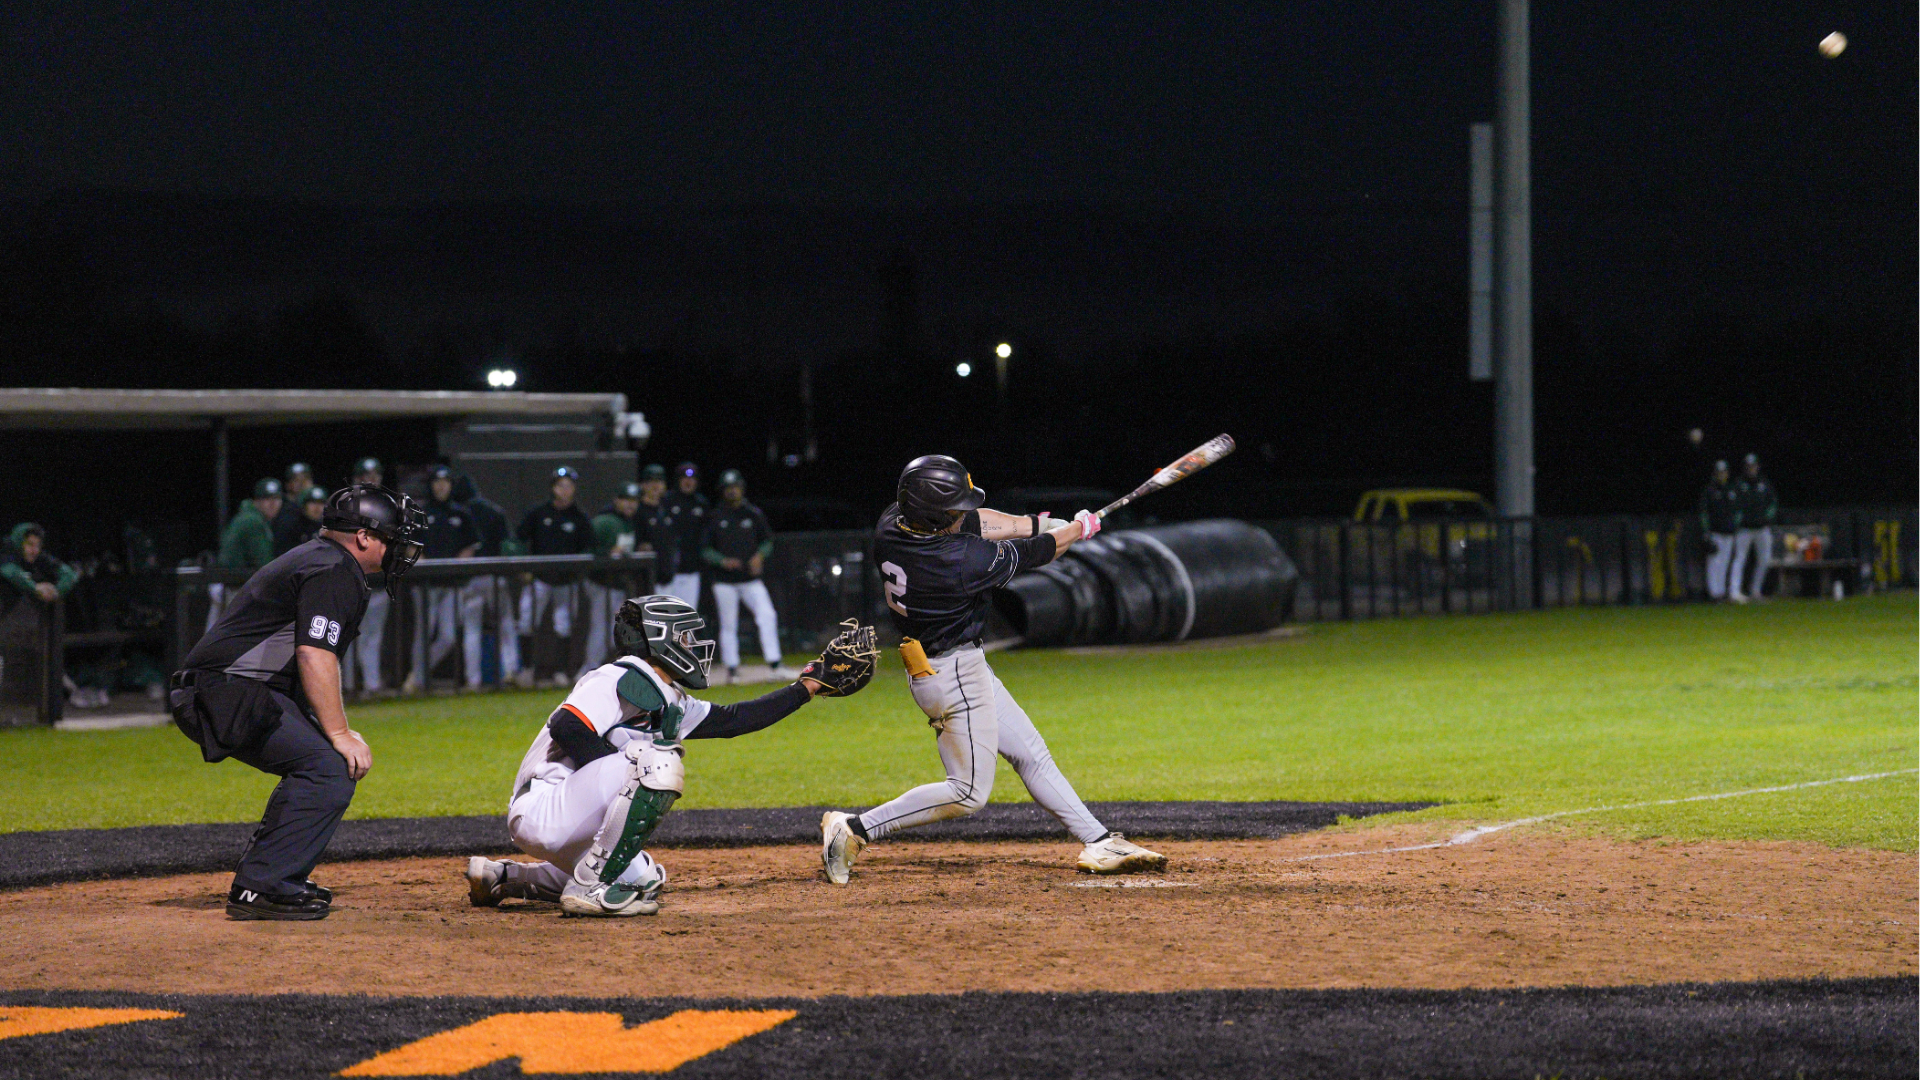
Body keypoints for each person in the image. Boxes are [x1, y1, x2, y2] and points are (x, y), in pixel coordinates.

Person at [818, 455, 1167, 883]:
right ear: (932, 514)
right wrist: (1078, 529)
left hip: (948, 666)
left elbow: (979, 521)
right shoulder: (959, 563)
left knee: (1030, 753)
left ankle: (1098, 840)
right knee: (967, 793)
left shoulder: (893, 522)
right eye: (953, 508)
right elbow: (1040, 553)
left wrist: (1038, 522)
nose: (962, 514)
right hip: (952, 674)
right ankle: (854, 828)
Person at [464, 596, 875, 916]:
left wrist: (808, 686)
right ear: (659, 638)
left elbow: (735, 720)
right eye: (686, 638)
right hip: (545, 805)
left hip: (569, 816)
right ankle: (588, 886)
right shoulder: (619, 675)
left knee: (643, 880)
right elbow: (567, 726)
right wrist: (622, 771)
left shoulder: (670, 698)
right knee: (657, 761)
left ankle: (503, 876)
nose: (694, 646)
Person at [170, 484, 425, 920]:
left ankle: (274, 876)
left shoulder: (320, 558)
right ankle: (262, 886)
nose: (397, 549)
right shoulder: (333, 568)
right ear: (364, 536)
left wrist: (330, 731)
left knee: (326, 763)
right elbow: (314, 654)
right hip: (226, 692)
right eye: (391, 538)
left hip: (234, 689)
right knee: (326, 768)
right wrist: (339, 733)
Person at [701, 470, 795, 684]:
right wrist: (722, 560)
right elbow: (705, 549)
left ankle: (775, 664)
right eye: (728, 487)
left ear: (742, 488)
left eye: (736, 486)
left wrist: (760, 556)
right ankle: (732, 670)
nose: (733, 490)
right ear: (723, 491)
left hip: (750, 579)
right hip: (724, 580)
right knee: (728, 624)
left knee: (767, 615)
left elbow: (767, 541)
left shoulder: (753, 513)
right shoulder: (715, 516)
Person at [407, 466, 482, 691]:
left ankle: (418, 673)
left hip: (452, 584)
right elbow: (409, 547)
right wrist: (426, 564)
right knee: (423, 633)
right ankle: (417, 682)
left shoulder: (460, 513)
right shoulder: (420, 512)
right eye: (437, 482)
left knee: (448, 636)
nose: (441, 486)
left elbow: (470, 547)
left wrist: (456, 564)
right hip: (425, 584)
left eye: (445, 482)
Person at [517, 467, 595, 685]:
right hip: (539, 579)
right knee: (525, 621)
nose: (564, 490)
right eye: (560, 485)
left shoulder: (579, 518)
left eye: (569, 486)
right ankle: (527, 670)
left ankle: (561, 671)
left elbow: (590, 547)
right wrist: (524, 567)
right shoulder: (539, 513)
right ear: (553, 488)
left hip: (567, 581)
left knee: (564, 625)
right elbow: (518, 540)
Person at [453, 474, 521, 686]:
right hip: (494, 576)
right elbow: (508, 546)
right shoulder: (493, 511)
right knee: (506, 626)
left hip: (470, 578)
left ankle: (473, 680)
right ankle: (510, 671)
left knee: (472, 630)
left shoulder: (459, 513)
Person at [579, 480, 651, 677]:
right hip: (600, 583)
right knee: (601, 630)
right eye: (626, 499)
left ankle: (595, 670)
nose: (630, 504)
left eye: (634, 500)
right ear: (617, 501)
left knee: (613, 632)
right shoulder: (603, 521)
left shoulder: (631, 522)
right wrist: (606, 552)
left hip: (616, 585)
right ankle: (588, 671)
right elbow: (585, 549)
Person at [210, 479, 284, 629]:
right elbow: (264, 563)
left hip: (229, 587)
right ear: (256, 501)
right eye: (266, 499)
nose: (272, 503)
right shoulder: (252, 521)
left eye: (276, 499)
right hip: (232, 588)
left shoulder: (250, 517)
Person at [344, 458, 390, 693]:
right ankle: (349, 687)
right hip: (351, 586)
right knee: (347, 640)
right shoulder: (346, 506)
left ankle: (371, 685)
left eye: (375, 475)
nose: (371, 480)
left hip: (378, 585)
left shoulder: (388, 507)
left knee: (373, 638)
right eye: (366, 475)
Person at [1731, 453, 1779, 603]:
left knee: (1765, 559)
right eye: (1748, 466)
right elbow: (1733, 505)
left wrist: (1768, 517)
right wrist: (1737, 520)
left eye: (1753, 466)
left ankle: (1755, 591)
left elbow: (1773, 503)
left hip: (1762, 528)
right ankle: (1734, 592)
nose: (1751, 469)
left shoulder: (1764, 484)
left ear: (1757, 467)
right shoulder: (1739, 484)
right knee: (1739, 559)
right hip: (1744, 529)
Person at [660, 462, 709, 605]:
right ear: (678, 480)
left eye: (692, 479)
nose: (688, 482)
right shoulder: (666, 501)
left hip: (691, 571)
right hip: (667, 572)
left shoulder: (701, 504)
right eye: (684, 478)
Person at [2, 523, 78, 608]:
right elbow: (10, 571)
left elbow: (68, 573)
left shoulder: (37, 555)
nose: (35, 550)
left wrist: (56, 591)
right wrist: (35, 588)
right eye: (30, 544)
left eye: (38, 545)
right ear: (19, 542)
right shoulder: (5, 548)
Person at [1699, 459, 1742, 601]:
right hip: (1715, 532)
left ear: (1727, 473)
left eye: (1723, 472)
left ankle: (1721, 592)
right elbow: (1704, 512)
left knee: (1725, 562)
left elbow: (1737, 511)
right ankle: (1714, 593)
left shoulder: (1731, 490)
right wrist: (1706, 532)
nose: (1721, 475)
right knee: (1714, 563)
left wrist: (1735, 526)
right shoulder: (1710, 490)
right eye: (1719, 472)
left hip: (1729, 532)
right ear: (1715, 474)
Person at [272, 463, 315, 552]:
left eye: (305, 479)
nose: (302, 484)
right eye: (296, 480)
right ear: (288, 485)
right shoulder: (280, 508)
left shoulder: (318, 507)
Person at [278, 486, 329, 554]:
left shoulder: (329, 529)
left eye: (321, 503)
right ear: (304, 506)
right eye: (313, 503)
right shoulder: (293, 528)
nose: (317, 507)